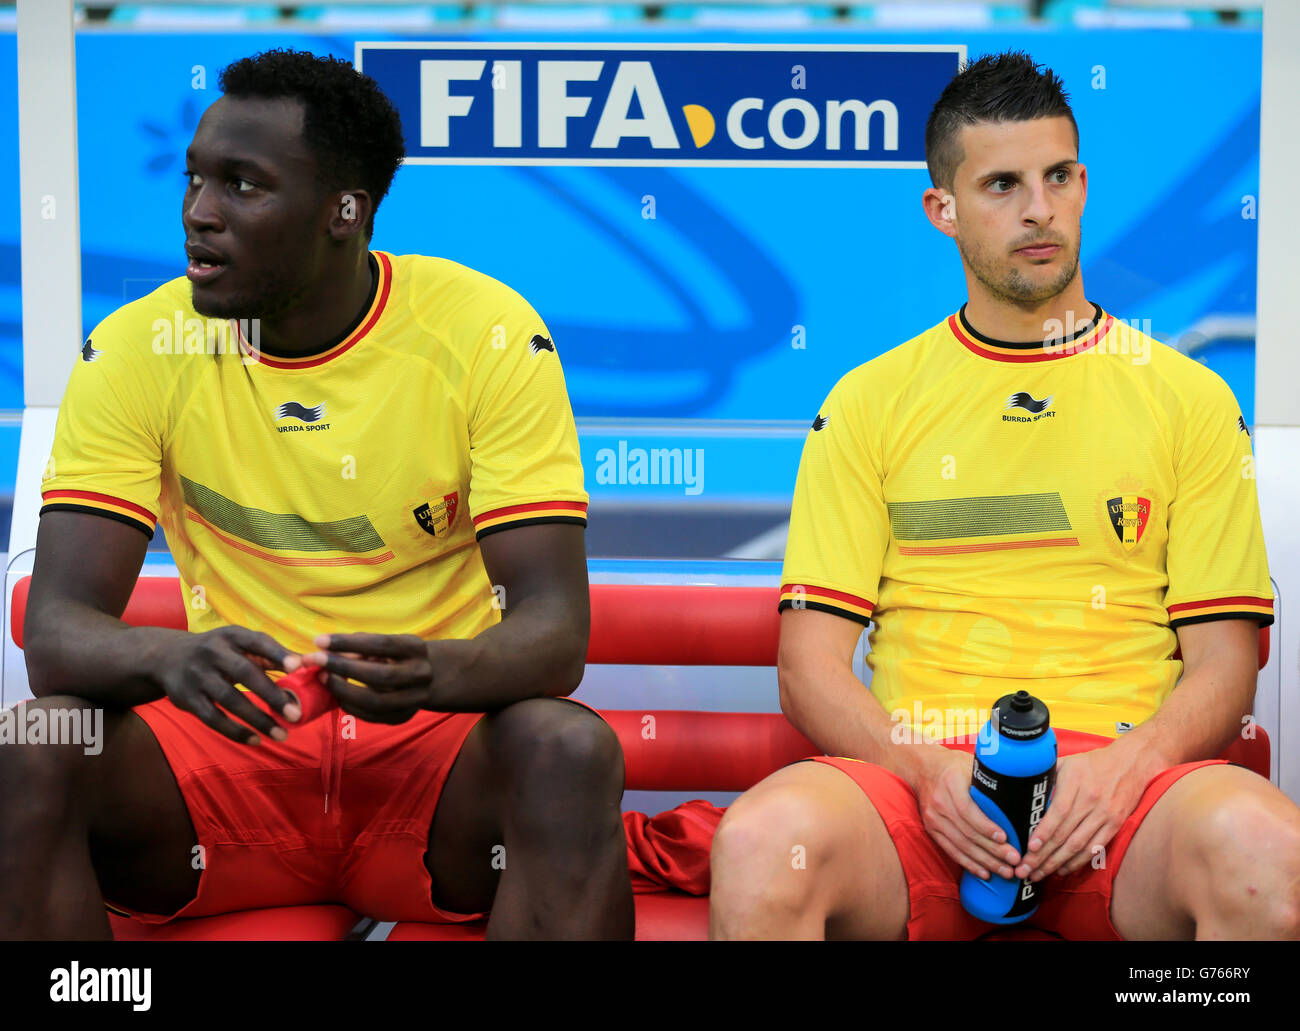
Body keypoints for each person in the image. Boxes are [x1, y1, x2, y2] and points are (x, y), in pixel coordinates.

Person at [0, 49, 633, 940]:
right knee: (35, 743)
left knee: (568, 746)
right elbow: (57, 631)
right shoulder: (139, 347)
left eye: (243, 186)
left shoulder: (485, 332)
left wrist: (434, 671)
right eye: (194, 180)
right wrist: (170, 660)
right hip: (230, 768)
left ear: (347, 212)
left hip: (425, 768)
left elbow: (554, 633)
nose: (198, 215)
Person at [709, 51, 1300, 940]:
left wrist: (1122, 770)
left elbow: (1225, 666)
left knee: (1264, 848)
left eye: (1058, 176)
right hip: (922, 794)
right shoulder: (869, 401)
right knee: (762, 842)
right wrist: (921, 773)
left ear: (1083, 184)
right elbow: (810, 668)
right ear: (940, 210)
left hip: (1122, 796)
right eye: (1000, 184)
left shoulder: (1191, 399)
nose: (1038, 209)